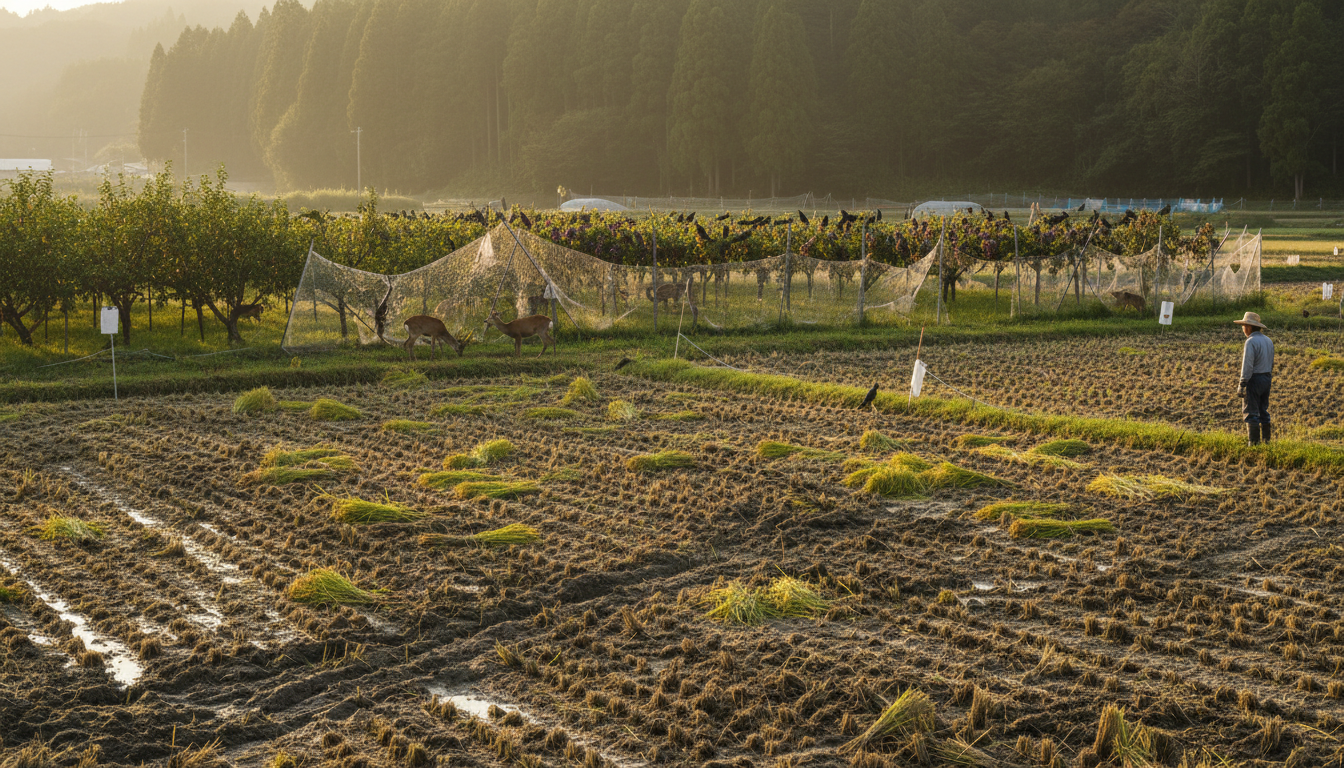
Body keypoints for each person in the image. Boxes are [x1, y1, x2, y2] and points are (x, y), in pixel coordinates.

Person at [1234, 311, 1274, 445]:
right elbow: (1271, 362)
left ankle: (1254, 444)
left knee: (1251, 412)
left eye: (1244, 326)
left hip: (1254, 380)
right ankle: (1266, 441)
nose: (1243, 329)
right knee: (1263, 410)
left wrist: (1242, 383)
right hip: (1267, 378)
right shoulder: (1268, 341)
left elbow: (1247, 365)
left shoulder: (1250, 342)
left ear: (1249, 327)